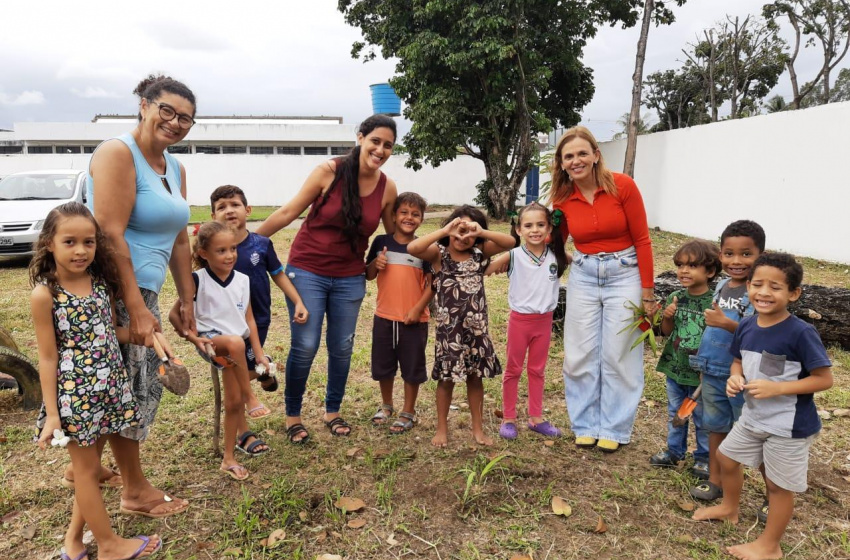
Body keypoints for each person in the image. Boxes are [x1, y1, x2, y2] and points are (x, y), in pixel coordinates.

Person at [81, 74, 195, 517]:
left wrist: (187, 299)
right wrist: (136, 308)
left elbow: (181, 238)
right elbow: (109, 234)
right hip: (114, 288)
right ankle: (134, 490)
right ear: (144, 106)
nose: (175, 122)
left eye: (186, 118)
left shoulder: (176, 167)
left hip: (146, 288)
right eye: (166, 110)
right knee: (128, 390)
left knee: (125, 385)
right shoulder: (117, 153)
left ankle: (84, 466)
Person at [255, 115, 398, 443]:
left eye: (387, 145)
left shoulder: (387, 187)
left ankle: (332, 411)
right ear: (360, 137)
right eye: (375, 141)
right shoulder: (328, 172)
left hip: (349, 277)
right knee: (305, 345)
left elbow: (394, 235)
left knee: (342, 348)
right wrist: (249, 244)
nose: (380, 149)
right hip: (307, 271)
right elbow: (288, 213)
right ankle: (293, 415)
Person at [30, 202, 161, 560]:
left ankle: (74, 542)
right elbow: (47, 357)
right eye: (69, 242)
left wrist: (136, 336)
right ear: (49, 245)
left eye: (88, 242)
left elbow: (105, 332)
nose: (81, 250)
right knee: (86, 473)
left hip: (109, 389)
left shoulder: (100, 283)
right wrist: (53, 415)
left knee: (90, 469)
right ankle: (108, 545)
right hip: (77, 396)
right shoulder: (46, 295)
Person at [694, 253, 833, 560]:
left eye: (776, 287)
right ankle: (730, 507)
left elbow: (824, 380)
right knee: (727, 457)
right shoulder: (746, 326)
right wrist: (735, 378)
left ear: (793, 294)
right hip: (753, 416)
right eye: (757, 284)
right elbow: (737, 362)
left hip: (788, 425)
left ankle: (770, 546)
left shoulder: (801, 333)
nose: (764, 292)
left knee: (777, 485)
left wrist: (779, 388)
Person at [550, 126, 656, 453]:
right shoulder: (562, 199)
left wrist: (648, 293)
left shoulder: (623, 186)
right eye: (569, 156)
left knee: (619, 353)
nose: (576, 160)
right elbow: (556, 242)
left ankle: (613, 427)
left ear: (596, 155)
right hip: (584, 273)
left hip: (624, 273)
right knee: (579, 354)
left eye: (583, 153)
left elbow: (642, 239)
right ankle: (584, 425)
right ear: (562, 163)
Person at [168, 222, 271, 480]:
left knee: (232, 400)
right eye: (221, 251)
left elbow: (249, 321)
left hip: (235, 351)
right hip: (212, 344)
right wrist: (193, 339)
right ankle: (251, 395)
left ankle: (228, 458)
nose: (230, 255)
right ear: (203, 253)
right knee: (235, 343)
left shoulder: (243, 280)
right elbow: (173, 315)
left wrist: (258, 354)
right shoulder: (196, 280)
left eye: (233, 249)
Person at [408, 205, 515, 448]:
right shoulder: (439, 254)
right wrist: (446, 229)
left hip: (476, 331)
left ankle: (477, 429)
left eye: (469, 232)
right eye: (458, 230)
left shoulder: (480, 253)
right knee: (446, 380)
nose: (462, 236)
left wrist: (481, 233)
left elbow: (510, 242)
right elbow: (413, 247)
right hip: (449, 333)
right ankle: (441, 428)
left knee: (475, 379)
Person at [689, 221, 765, 508]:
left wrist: (726, 323)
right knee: (715, 427)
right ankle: (716, 480)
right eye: (729, 253)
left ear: (761, 254)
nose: (736, 261)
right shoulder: (720, 285)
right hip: (711, 369)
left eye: (746, 254)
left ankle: (773, 493)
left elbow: (761, 333)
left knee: (753, 431)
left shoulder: (758, 290)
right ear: (720, 255)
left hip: (741, 376)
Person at [208, 185, 309, 392]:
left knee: (238, 372)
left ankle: (259, 375)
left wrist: (298, 301)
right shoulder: (211, 251)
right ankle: (265, 370)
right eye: (221, 207)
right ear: (213, 216)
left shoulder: (261, 245)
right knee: (229, 365)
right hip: (223, 319)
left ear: (248, 210)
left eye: (235, 204)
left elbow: (278, 275)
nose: (229, 210)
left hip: (257, 319)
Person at [485, 202, 569, 440]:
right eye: (528, 225)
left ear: (549, 228)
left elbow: (582, 262)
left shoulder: (557, 255)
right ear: (518, 229)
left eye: (541, 224)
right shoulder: (513, 255)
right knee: (513, 370)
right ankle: (509, 418)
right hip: (519, 321)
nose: (535, 230)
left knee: (537, 370)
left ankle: (536, 418)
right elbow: (486, 269)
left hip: (544, 321)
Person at [650, 239, 720, 478]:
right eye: (680, 265)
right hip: (676, 367)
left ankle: (703, 458)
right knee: (675, 413)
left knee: (702, 417)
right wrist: (667, 316)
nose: (683, 271)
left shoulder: (714, 302)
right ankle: (674, 452)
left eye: (691, 266)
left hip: (702, 374)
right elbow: (668, 332)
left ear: (710, 271)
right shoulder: (676, 297)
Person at [365, 192, 433, 434]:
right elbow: (369, 274)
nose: (409, 217)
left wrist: (417, 309)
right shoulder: (381, 242)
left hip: (414, 319)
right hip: (384, 316)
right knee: (384, 365)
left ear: (422, 219)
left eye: (415, 214)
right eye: (404, 212)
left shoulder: (424, 248)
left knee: (412, 367)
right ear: (393, 216)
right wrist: (376, 264)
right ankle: (386, 405)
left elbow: (431, 284)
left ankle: (408, 411)